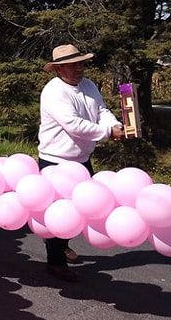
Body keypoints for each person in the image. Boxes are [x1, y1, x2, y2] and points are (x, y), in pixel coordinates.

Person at [38, 44, 124, 281]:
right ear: (59, 69)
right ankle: (55, 262)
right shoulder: (54, 91)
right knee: (60, 214)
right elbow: (73, 124)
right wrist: (108, 134)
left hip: (82, 160)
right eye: (72, 65)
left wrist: (114, 124)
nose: (78, 69)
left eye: (81, 63)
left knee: (80, 210)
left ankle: (61, 243)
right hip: (57, 162)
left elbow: (102, 111)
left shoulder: (89, 86)